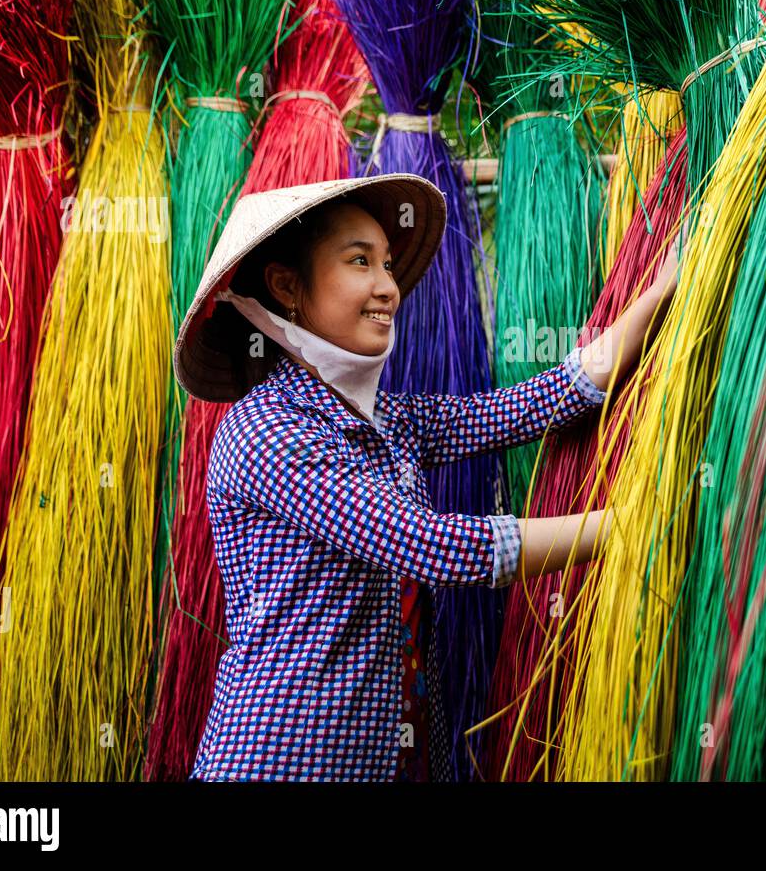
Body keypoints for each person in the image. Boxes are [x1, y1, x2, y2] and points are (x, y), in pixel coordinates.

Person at [172, 173, 677, 781]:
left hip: (391, 759)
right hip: (284, 761)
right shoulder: (265, 433)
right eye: (361, 261)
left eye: (387, 264)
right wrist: (629, 527)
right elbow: (434, 545)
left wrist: (656, 298)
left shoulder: (384, 421)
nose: (388, 287)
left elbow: (526, 406)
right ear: (286, 286)